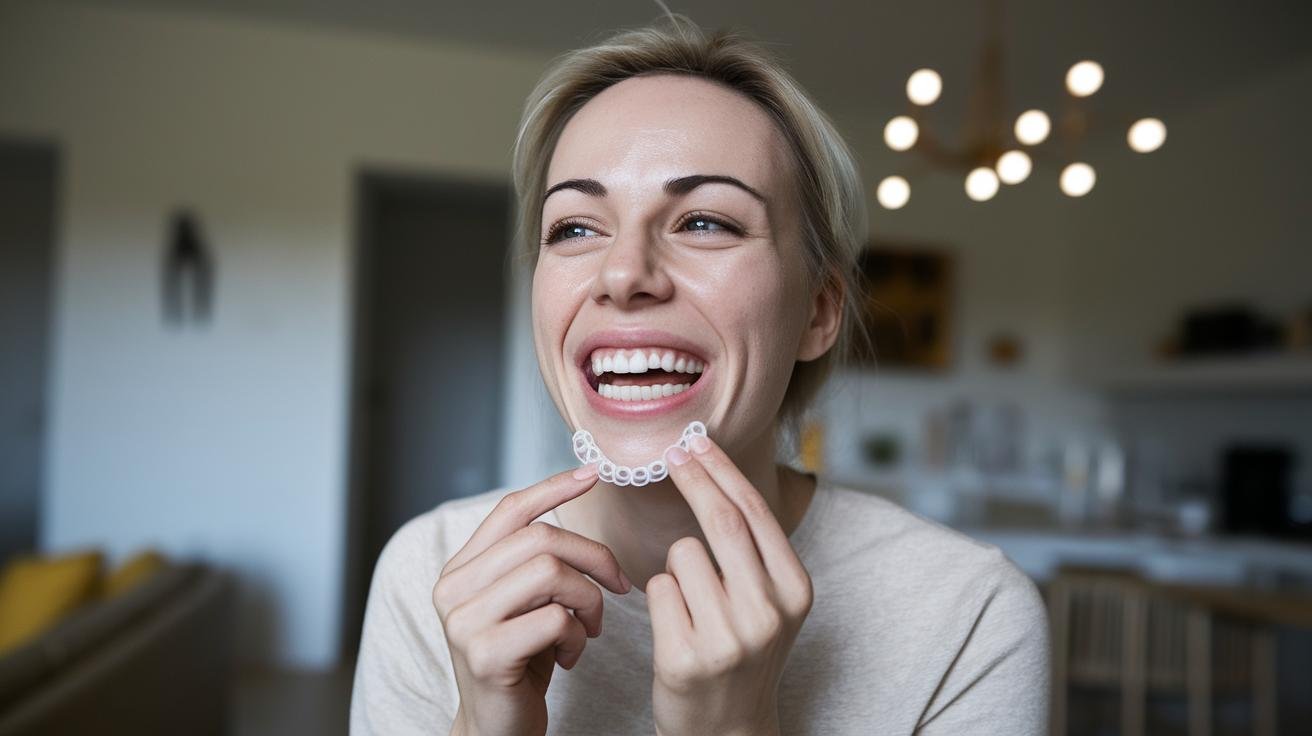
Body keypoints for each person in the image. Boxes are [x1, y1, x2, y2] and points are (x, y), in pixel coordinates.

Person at [351, 14, 1049, 736]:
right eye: (576, 227)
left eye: (706, 221)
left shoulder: (970, 613)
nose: (622, 274)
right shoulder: (432, 572)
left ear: (817, 311)